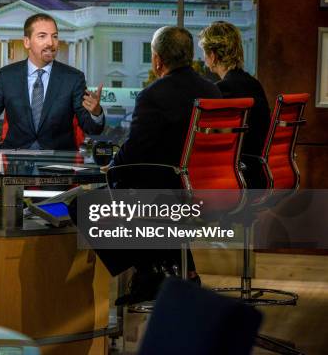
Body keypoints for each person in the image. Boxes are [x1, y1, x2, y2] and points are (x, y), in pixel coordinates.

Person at [72, 26, 222, 303]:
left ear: (157, 60)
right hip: (204, 190)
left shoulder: (154, 95)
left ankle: (149, 271)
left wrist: (111, 170)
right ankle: (173, 269)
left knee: (83, 207)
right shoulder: (213, 91)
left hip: (167, 193)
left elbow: (135, 152)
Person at [0, 13, 105, 150]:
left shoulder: (73, 78)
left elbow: (91, 128)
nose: (51, 43)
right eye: (42, 36)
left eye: (54, 36)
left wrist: (96, 113)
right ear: (27, 42)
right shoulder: (6, 76)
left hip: (59, 163)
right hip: (16, 162)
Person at [199, 21, 270, 159]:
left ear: (213, 56)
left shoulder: (223, 90)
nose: (203, 58)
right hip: (257, 168)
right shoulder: (254, 84)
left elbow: (212, 141)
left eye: (204, 52)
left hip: (235, 168)